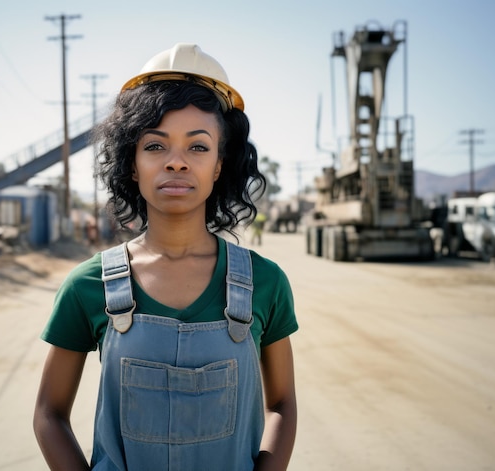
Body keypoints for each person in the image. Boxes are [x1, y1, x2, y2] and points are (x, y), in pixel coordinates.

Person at [34, 43, 298, 471]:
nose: (176, 163)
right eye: (155, 146)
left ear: (219, 164)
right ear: (132, 163)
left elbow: (282, 403)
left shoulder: (266, 283)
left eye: (197, 147)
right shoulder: (87, 286)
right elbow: (49, 413)